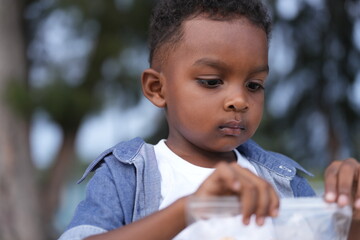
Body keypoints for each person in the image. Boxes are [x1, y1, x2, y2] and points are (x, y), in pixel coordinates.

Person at [58, 0, 360, 239]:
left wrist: (353, 215)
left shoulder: (284, 183)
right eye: (212, 81)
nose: (239, 100)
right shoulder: (126, 176)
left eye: (254, 85)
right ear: (157, 88)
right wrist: (189, 209)